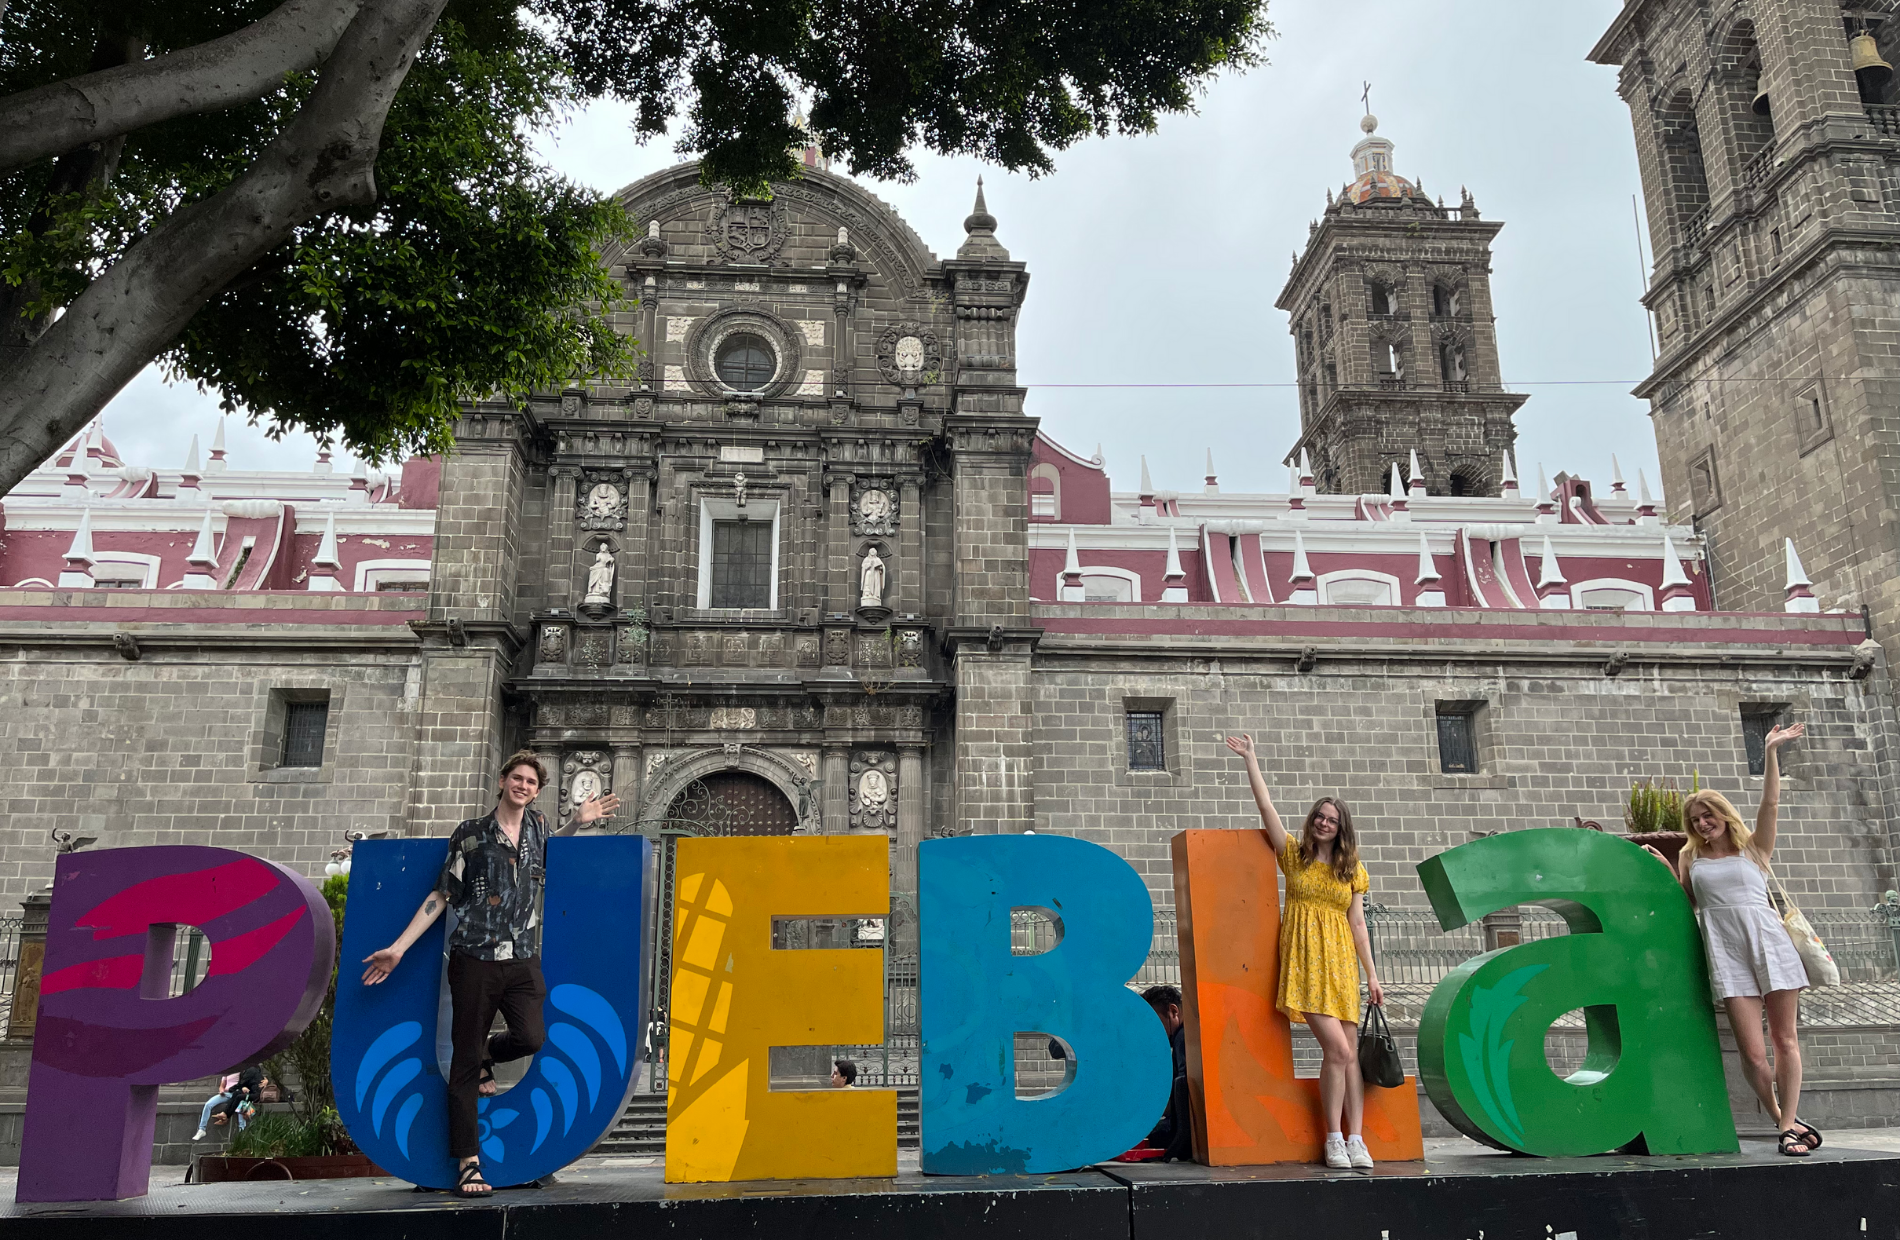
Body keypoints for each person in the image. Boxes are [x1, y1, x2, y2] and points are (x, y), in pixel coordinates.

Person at [361, 751, 619, 1195]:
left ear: (538, 790)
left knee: (532, 1038)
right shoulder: (472, 834)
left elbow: (552, 848)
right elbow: (442, 894)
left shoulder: (537, 827)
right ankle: (468, 1162)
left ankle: (484, 1052)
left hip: (521, 958)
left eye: (531, 782)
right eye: (517, 778)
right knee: (463, 1065)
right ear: (502, 781)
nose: (523, 786)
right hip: (475, 959)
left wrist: (580, 820)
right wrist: (399, 948)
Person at [1643, 721, 1818, 1156]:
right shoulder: (1689, 857)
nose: (1703, 825)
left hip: (1769, 943)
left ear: (1723, 815)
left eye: (1709, 816)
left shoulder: (1754, 849)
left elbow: (1771, 803)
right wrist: (1667, 871)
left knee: (1785, 1040)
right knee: (1754, 1055)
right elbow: (1687, 907)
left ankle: (1787, 1127)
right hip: (1725, 953)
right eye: (1696, 820)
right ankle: (1786, 1121)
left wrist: (1772, 751)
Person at [1226, 734, 1384, 1170]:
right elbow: (1267, 809)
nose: (1324, 823)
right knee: (1337, 1050)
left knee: (1349, 1053)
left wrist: (1371, 975)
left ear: (1342, 827)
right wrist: (1251, 760)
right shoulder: (1294, 857)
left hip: (1341, 964)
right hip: (1306, 963)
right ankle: (1333, 1137)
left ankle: (1356, 1138)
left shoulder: (1352, 870)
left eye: (1332, 819)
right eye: (1319, 815)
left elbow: (1358, 925)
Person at [1142, 984, 1194, 1162]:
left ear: (1173, 1011)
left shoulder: (1182, 1038)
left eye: (1154, 1023)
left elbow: (1183, 1096)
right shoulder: (1192, 1033)